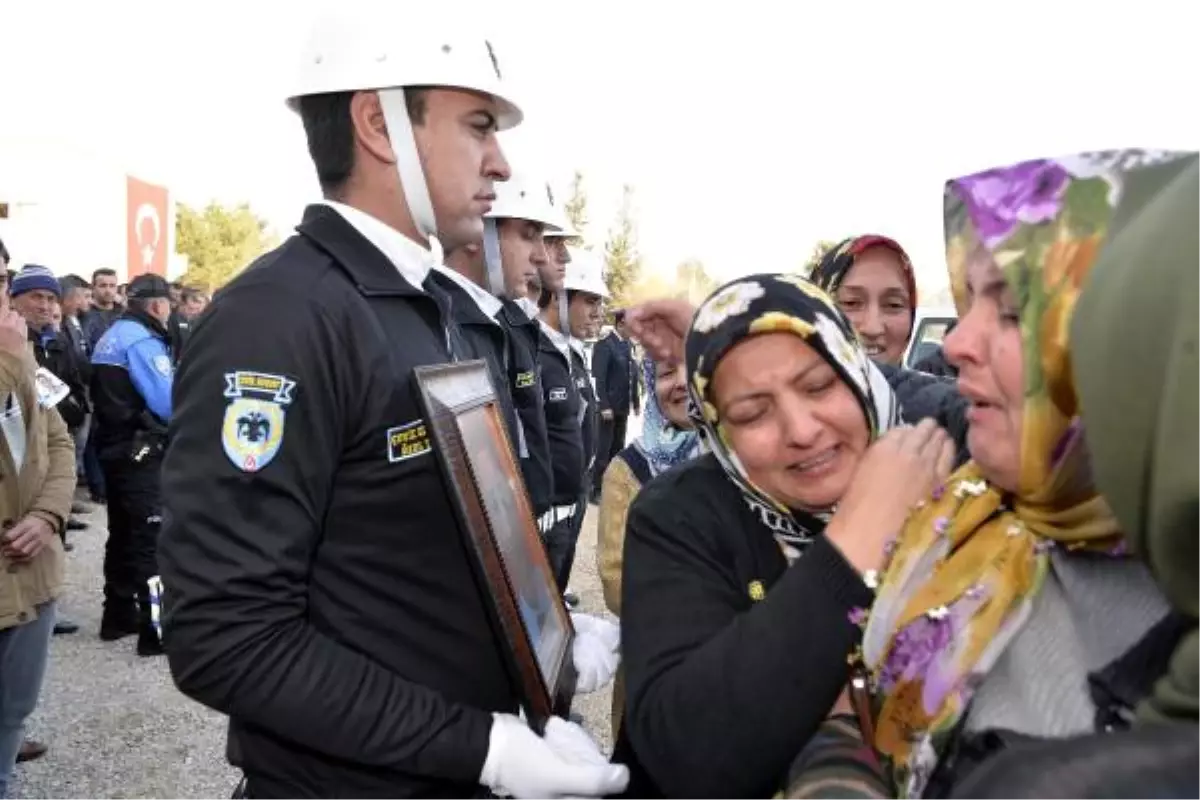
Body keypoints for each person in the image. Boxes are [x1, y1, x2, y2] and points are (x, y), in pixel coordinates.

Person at [157, 11, 627, 799]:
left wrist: (547, 647)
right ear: (378, 125)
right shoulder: (281, 317)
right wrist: (483, 748)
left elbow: (422, 560)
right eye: (479, 125)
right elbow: (225, 635)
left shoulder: (429, 306)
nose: (501, 160)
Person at [855, 151, 1189, 799]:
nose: (954, 342)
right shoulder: (984, 492)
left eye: (1011, 310)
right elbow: (882, 388)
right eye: (969, 300)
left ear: (1139, 342)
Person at [619, 274, 957, 799]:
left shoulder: (933, 457)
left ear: (858, 374)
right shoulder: (678, 516)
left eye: (820, 385)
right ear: (718, 432)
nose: (801, 429)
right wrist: (854, 547)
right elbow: (688, 753)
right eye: (752, 412)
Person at [0, 299, 77, 796]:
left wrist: (47, 516)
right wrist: (12, 362)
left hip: (30, 572)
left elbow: (61, 445)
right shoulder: (16, 357)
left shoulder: (23, 358)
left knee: (12, 710)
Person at [90, 273, 174, 655]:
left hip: (112, 448)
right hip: (141, 453)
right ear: (157, 305)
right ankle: (155, 631)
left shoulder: (112, 335)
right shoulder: (142, 341)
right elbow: (167, 403)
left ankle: (117, 616)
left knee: (122, 534)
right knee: (150, 540)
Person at [537, 251, 604, 598]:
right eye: (590, 300)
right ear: (560, 296)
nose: (598, 312)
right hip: (547, 514)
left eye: (601, 302)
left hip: (574, 498)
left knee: (559, 580)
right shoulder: (531, 351)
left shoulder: (572, 352)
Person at [810, 234, 917, 366]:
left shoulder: (938, 386)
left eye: (893, 305)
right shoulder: (780, 385)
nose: (873, 329)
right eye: (851, 303)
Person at [589, 310, 640, 503]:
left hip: (622, 407)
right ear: (620, 324)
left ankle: (610, 485)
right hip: (608, 409)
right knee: (603, 449)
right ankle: (595, 488)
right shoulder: (605, 345)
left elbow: (632, 375)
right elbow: (598, 378)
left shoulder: (627, 345)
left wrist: (635, 401)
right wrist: (603, 404)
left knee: (617, 448)